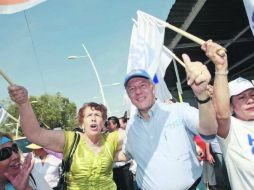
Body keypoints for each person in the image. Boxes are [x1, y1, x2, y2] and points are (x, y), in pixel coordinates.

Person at [122, 52, 218, 190]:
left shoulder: (178, 110)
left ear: (152, 88)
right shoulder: (131, 126)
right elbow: (126, 154)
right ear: (129, 95)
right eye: (132, 88)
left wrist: (202, 95)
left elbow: (209, 132)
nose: (138, 91)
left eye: (143, 85)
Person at [7, 86, 126, 190]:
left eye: (98, 115)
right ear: (82, 123)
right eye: (89, 115)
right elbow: (35, 134)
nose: (93, 118)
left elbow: (137, 137)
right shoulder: (70, 140)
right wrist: (23, 103)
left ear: (104, 121)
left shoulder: (112, 139)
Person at [202, 40, 254, 189]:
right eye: (242, 97)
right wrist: (220, 68)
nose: (250, 100)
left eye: (252, 94)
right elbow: (221, 115)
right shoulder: (231, 130)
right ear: (231, 106)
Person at [107, 116, 134, 190]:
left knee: (128, 187)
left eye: (109, 124)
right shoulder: (108, 135)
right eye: (107, 124)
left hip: (124, 167)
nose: (108, 126)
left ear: (115, 124)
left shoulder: (123, 133)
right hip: (114, 169)